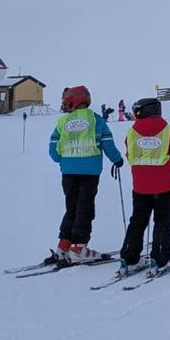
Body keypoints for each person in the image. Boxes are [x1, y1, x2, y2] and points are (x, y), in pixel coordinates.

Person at [48, 85, 125, 262]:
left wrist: (62, 160)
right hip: (90, 173)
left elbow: (53, 147)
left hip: (68, 172)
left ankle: (64, 245)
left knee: (71, 207)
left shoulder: (62, 122)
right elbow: (107, 143)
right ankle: (78, 247)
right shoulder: (96, 120)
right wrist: (117, 160)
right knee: (85, 209)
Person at [119, 98, 170, 274]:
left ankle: (129, 257)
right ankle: (160, 259)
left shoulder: (132, 131)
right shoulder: (168, 130)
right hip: (164, 185)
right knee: (162, 221)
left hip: (140, 186)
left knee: (137, 221)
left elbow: (129, 154)